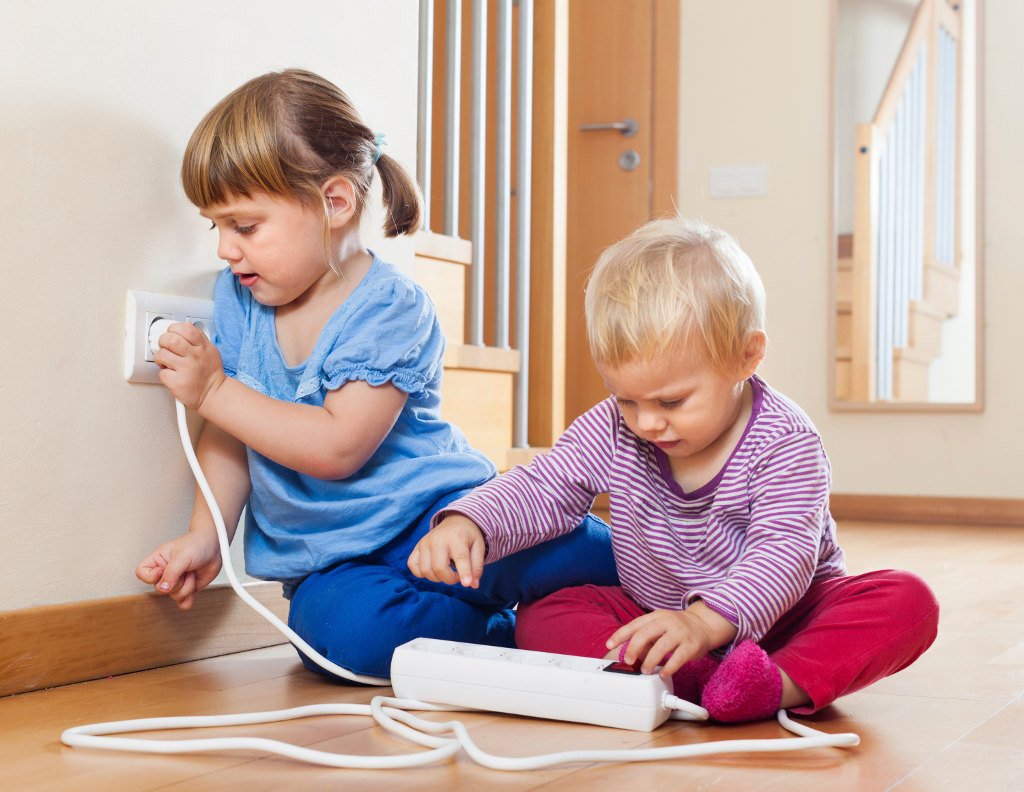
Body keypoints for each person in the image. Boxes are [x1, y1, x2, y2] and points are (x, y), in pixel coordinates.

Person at [135, 68, 617, 681]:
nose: (226, 249)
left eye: (245, 226)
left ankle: (697, 604)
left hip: (443, 517)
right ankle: (505, 632)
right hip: (336, 561)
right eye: (217, 227)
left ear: (335, 202)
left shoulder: (390, 307)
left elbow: (339, 447)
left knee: (587, 552)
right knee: (340, 640)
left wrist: (215, 390)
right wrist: (207, 535)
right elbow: (233, 432)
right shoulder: (238, 300)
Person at [408, 216, 939, 722]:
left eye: (671, 401)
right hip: (660, 617)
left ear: (746, 357)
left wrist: (705, 622)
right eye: (626, 400)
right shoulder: (614, 428)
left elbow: (785, 553)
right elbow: (546, 484)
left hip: (788, 619)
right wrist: (471, 520)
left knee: (908, 602)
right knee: (546, 612)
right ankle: (680, 677)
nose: (646, 423)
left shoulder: (785, 442)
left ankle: (772, 684)